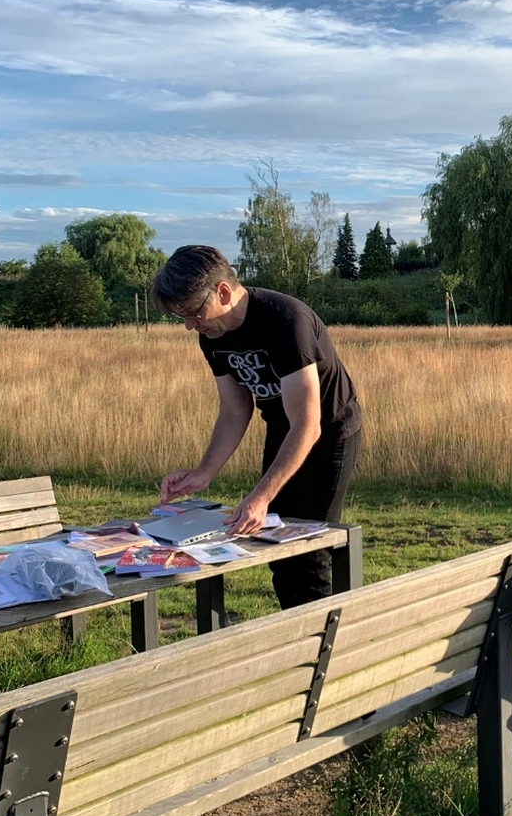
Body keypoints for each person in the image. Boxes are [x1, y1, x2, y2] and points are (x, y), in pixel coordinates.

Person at [151, 246, 362, 609]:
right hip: (283, 428)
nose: (190, 325)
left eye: (192, 313)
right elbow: (235, 410)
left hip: (328, 433)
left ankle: (329, 648)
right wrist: (204, 473)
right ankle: (296, 639)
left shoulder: (286, 320)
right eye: (180, 317)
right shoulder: (211, 334)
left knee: (309, 552)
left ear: (222, 291)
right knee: (276, 547)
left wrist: (261, 496)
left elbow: (308, 425)